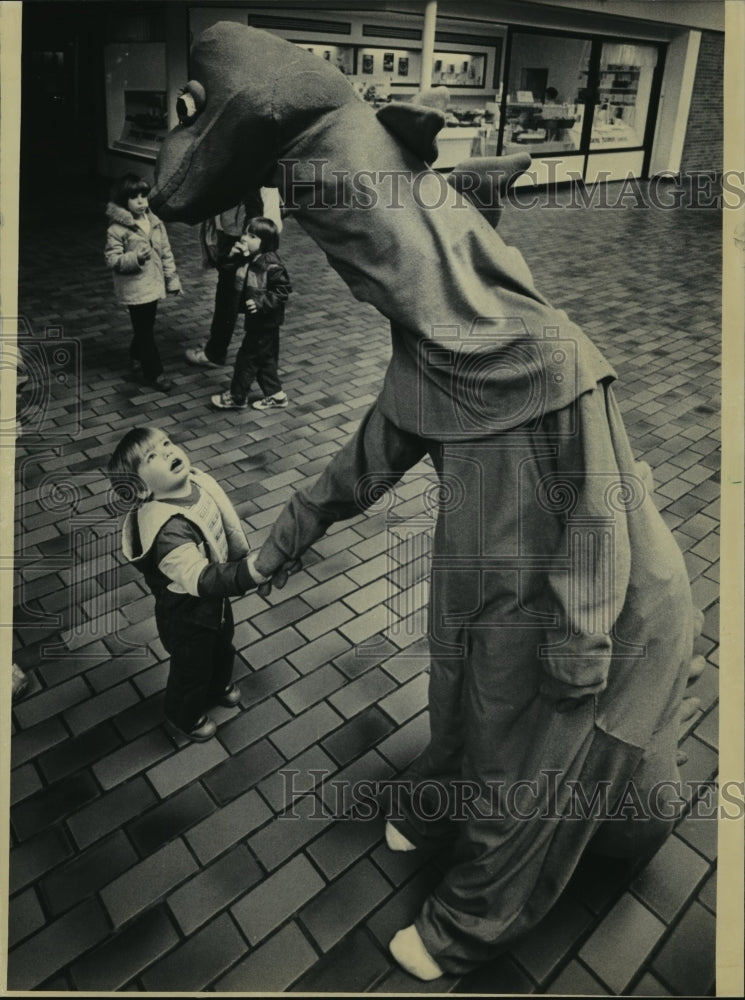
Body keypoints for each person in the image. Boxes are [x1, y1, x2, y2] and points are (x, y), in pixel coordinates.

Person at [148, 21, 704, 980]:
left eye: (368, 250)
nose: (361, 273)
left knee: (531, 760)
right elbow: (344, 481)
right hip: (490, 592)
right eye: (347, 256)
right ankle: (445, 803)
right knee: (466, 702)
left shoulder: (549, 352)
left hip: (597, 611)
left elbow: (601, 503)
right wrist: (257, 563)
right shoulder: (427, 363)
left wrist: (578, 643)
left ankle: (468, 920)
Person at [106, 425, 269, 742]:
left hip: (215, 602)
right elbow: (200, 578)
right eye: (152, 456)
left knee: (223, 644)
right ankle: (184, 715)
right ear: (141, 489)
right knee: (191, 669)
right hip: (187, 615)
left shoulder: (195, 486)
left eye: (166, 442)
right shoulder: (167, 531)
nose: (167, 451)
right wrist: (249, 572)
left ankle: (218, 683)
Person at [186, 187, 283, 369]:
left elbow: (265, 220)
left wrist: (247, 246)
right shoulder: (253, 175)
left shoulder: (255, 179)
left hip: (247, 242)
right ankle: (218, 347)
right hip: (244, 239)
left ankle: (216, 352)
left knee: (230, 298)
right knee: (229, 295)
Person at [104, 173, 182, 393]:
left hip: (154, 284)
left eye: (143, 196)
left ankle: (136, 355)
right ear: (122, 201)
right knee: (146, 331)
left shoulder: (155, 222)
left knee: (145, 327)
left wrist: (172, 279)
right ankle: (154, 373)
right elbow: (112, 259)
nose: (141, 202)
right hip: (135, 288)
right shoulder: (117, 229)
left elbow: (166, 252)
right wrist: (135, 258)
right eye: (134, 197)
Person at [210, 216, 292, 412]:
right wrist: (232, 256)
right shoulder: (250, 258)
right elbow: (228, 272)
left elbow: (283, 290)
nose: (245, 238)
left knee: (247, 359)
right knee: (265, 359)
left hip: (265, 321)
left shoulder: (271, 264)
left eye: (252, 235)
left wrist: (260, 302)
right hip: (259, 321)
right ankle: (275, 395)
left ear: (265, 242)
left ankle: (237, 396)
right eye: (246, 233)